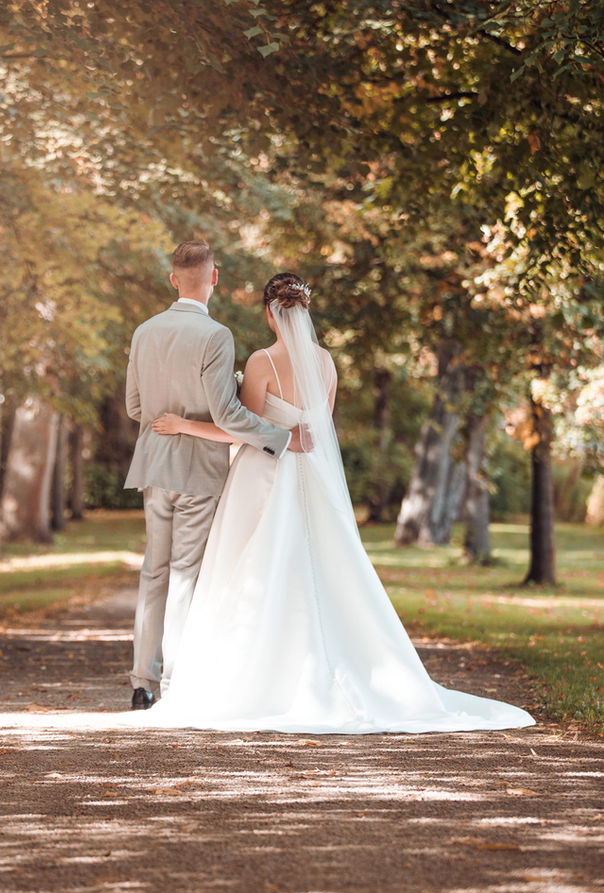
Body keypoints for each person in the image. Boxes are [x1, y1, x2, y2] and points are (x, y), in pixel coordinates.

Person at [121, 272, 535, 734]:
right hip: (315, 477)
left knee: (253, 568)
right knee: (321, 566)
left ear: (268, 311)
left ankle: (255, 673)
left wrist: (183, 425)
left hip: (264, 478)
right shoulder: (326, 363)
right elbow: (319, 429)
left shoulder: (262, 362)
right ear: (304, 310)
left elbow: (243, 429)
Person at [124, 243, 304, 710]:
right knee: (185, 574)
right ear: (215, 278)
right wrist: (279, 438)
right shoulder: (215, 335)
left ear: (173, 279)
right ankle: (179, 685)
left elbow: (135, 407)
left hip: (154, 466)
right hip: (199, 469)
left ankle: (143, 683)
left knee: (153, 573)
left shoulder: (145, 332)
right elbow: (227, 414)